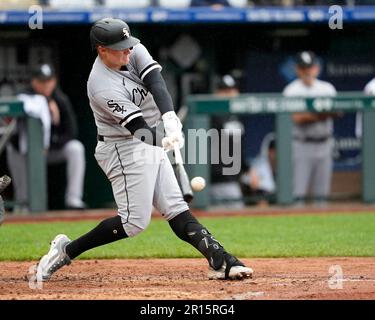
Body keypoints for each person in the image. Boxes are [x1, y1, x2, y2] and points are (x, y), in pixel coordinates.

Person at [36, 18, 253, 281]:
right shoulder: (101, 85)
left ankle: (221, 261)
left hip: (150, 135)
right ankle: (66, 250)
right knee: (133, 223)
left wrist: (170, 118)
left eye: (128, 45)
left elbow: (156, 83)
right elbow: (137, 128)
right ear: (102, 49)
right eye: (120, 48)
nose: (128, 51)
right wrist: (165, 140)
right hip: (122, 147)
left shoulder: (132, 48)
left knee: (176, 207)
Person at [7, 63, 86, 210]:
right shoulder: (24, 97)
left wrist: (49, 145)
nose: (45, 85)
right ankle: (22, 202)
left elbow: (71, 132)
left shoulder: (61, 100)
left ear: (54, 81)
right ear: (34, 81)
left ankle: (73, 199)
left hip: (51, 151)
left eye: (48, 81)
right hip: (26, 152)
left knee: (76, 148)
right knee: (12, 150)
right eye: (41, 81)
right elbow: (13, 134)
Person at [283, 51, 337, 205]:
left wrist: (311, 115)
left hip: (325, 143)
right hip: (302, 144)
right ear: (297, 70)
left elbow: (337, 112)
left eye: (310, 67)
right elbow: (296, 118)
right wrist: (320, 114)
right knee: (297, 194)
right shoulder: (291, 90)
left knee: (322, 195)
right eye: (303, 68)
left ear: (317, 68)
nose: (307, 71)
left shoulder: (327, 88)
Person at [210, 74, 246, 208]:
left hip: (232, 180)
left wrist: (247, 169)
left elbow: (239, 148)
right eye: (225, 91)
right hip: (214, 181)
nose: (230, 94)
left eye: (232, 90)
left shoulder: (236, 116)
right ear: (217, 93)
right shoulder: (209, 116)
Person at [241, 133, 276, 206]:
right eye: (272, 150)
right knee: (262, 195)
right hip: (254, 196)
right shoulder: (259, 164)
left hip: (274, 197)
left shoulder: (287, 166)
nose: (275, 153)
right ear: (269, 151)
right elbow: (253, 184)